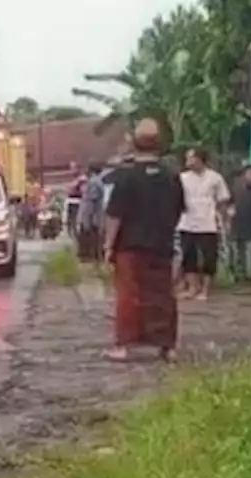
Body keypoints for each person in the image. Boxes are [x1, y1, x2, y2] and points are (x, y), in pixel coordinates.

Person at [102, 118, 185, 363]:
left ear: (134, 144)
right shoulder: (171, 176)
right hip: (162, 243)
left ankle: (123, 345)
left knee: (129, 295)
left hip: (131, 246)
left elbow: (115, 215)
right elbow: (179, 209)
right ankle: (167, 347)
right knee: (162, 295)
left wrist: (108, 245)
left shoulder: (125, 176)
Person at [176, 148, 231, 300]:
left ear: (199, 159)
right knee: (188, 256)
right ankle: (192, 287)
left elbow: (223, 200)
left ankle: (205, 289)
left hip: (208, 222)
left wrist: (224, 221)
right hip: (187, 221)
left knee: (209, 256)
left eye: (191, 158)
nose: (188, 162)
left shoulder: (215, 178)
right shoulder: (182, 178)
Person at [76, 163, 107, 263]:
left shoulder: (93, 182)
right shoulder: (97, 181)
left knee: (91, 239)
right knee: (95, 238)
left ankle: (91, 258)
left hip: (92, 217)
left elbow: (91, 201)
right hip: (94, 216)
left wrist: (86, 220)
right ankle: (94, 258)